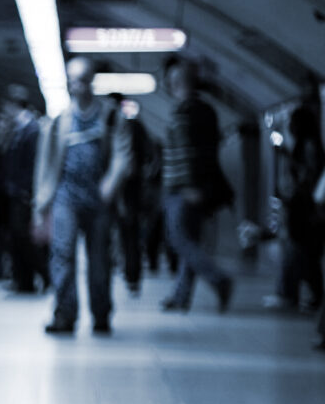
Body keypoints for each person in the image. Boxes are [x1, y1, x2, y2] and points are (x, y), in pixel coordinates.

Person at [33, 58, 133, 335]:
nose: (76, 86)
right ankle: (65, 313)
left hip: (99, 200)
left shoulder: (110, 117)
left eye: (82, 80)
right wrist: (40, 204)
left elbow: (123, 154)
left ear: (91, 82)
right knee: (62, 255)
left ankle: (101, 313)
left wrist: (111, 183)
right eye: (72, 81)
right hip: (65, 197)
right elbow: (45, 164)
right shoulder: (60, 120)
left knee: (99, 259)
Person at [159, 57, 236, 312]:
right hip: (198, 185)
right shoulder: (206, 110)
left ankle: (218, 279)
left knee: (179, 239)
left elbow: (188, 152)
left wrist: (189, 185)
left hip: (183, 187)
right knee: (189, 239)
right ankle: (181, 295)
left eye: (171, 81)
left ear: (177, 83)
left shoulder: (184, 112)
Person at [271, 101, 322, 320]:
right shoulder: (305, 145)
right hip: (302, 206)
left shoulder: (308, 146)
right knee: (302, 253)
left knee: (304, 253)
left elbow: (309, 175)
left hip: (305, 207)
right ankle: (305, 295)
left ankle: (313, 295)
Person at [0, 87, 43, 291]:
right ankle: (24, 281)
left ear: (14, 105)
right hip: (14, 191)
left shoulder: (32, 130)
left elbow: (33, 163)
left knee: (24, 236)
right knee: (16, 236)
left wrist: (28, 190)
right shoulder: (17, 130)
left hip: (23, 192)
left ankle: (43, 273)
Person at [116, 101, 160, 292]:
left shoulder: (119, 126)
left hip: (123, 188)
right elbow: (151, 156)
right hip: (133, 188)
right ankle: (132, 272)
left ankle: (129, 270)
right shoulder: (139, 127)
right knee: (131, 230)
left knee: (125, 230)